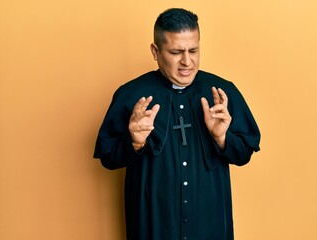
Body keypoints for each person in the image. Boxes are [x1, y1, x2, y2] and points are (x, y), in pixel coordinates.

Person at [94, 8, 260, 240]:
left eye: (193, 50)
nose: (187, 61)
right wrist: (133, 142)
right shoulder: (131, 95)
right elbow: (108, 158)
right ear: (155, 51)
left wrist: (222, 139)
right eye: (175, 52)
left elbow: (244, 153)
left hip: (209, 226)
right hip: (154, 228)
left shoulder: (222, 93)